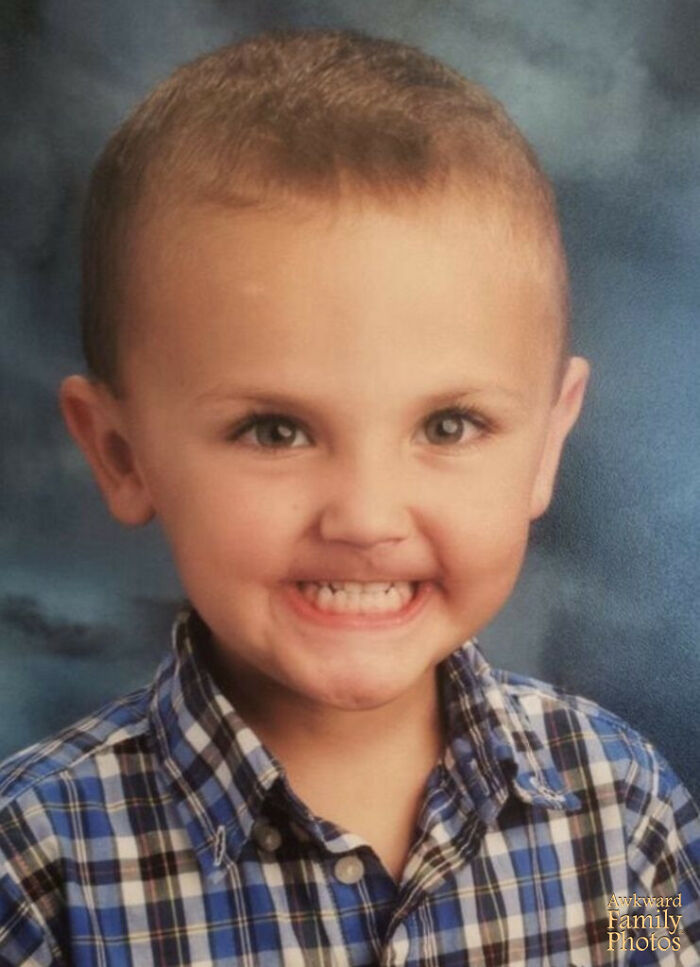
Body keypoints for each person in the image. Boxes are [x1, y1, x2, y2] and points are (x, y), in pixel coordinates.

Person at [0, 29, 697, 967]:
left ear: (546, 444)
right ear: (122, 454)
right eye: (275, 430)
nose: (367, 517)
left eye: (448, 425)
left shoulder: (623, 810)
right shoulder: (37, 874)